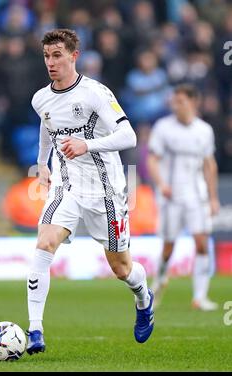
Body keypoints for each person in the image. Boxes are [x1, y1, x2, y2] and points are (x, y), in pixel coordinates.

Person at [26, 28, 154, 355]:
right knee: (44, 242)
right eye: (46, 56)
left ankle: (143, 297)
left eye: (57, 56)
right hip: (67, 187)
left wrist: (87, 145)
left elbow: (129, 137)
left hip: (106, 192)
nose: (51, 63)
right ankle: (35, 330)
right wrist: (43, 163)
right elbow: (47, 122)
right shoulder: (41, 97)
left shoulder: (95, 93)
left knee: (121, 268)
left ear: (74, 56)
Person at [148, 84, 220, 311]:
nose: (176, 105)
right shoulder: (163, 127)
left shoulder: (204, 130)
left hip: (197, 195)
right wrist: (161, 183)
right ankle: (158, 283)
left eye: (180, 101)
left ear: (193, 102)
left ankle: (199, 297)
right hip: (171, 195)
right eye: (174, 101)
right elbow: (152, 159)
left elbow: (209, 164)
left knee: (201, 242)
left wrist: (213, 197)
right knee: (169, 247)